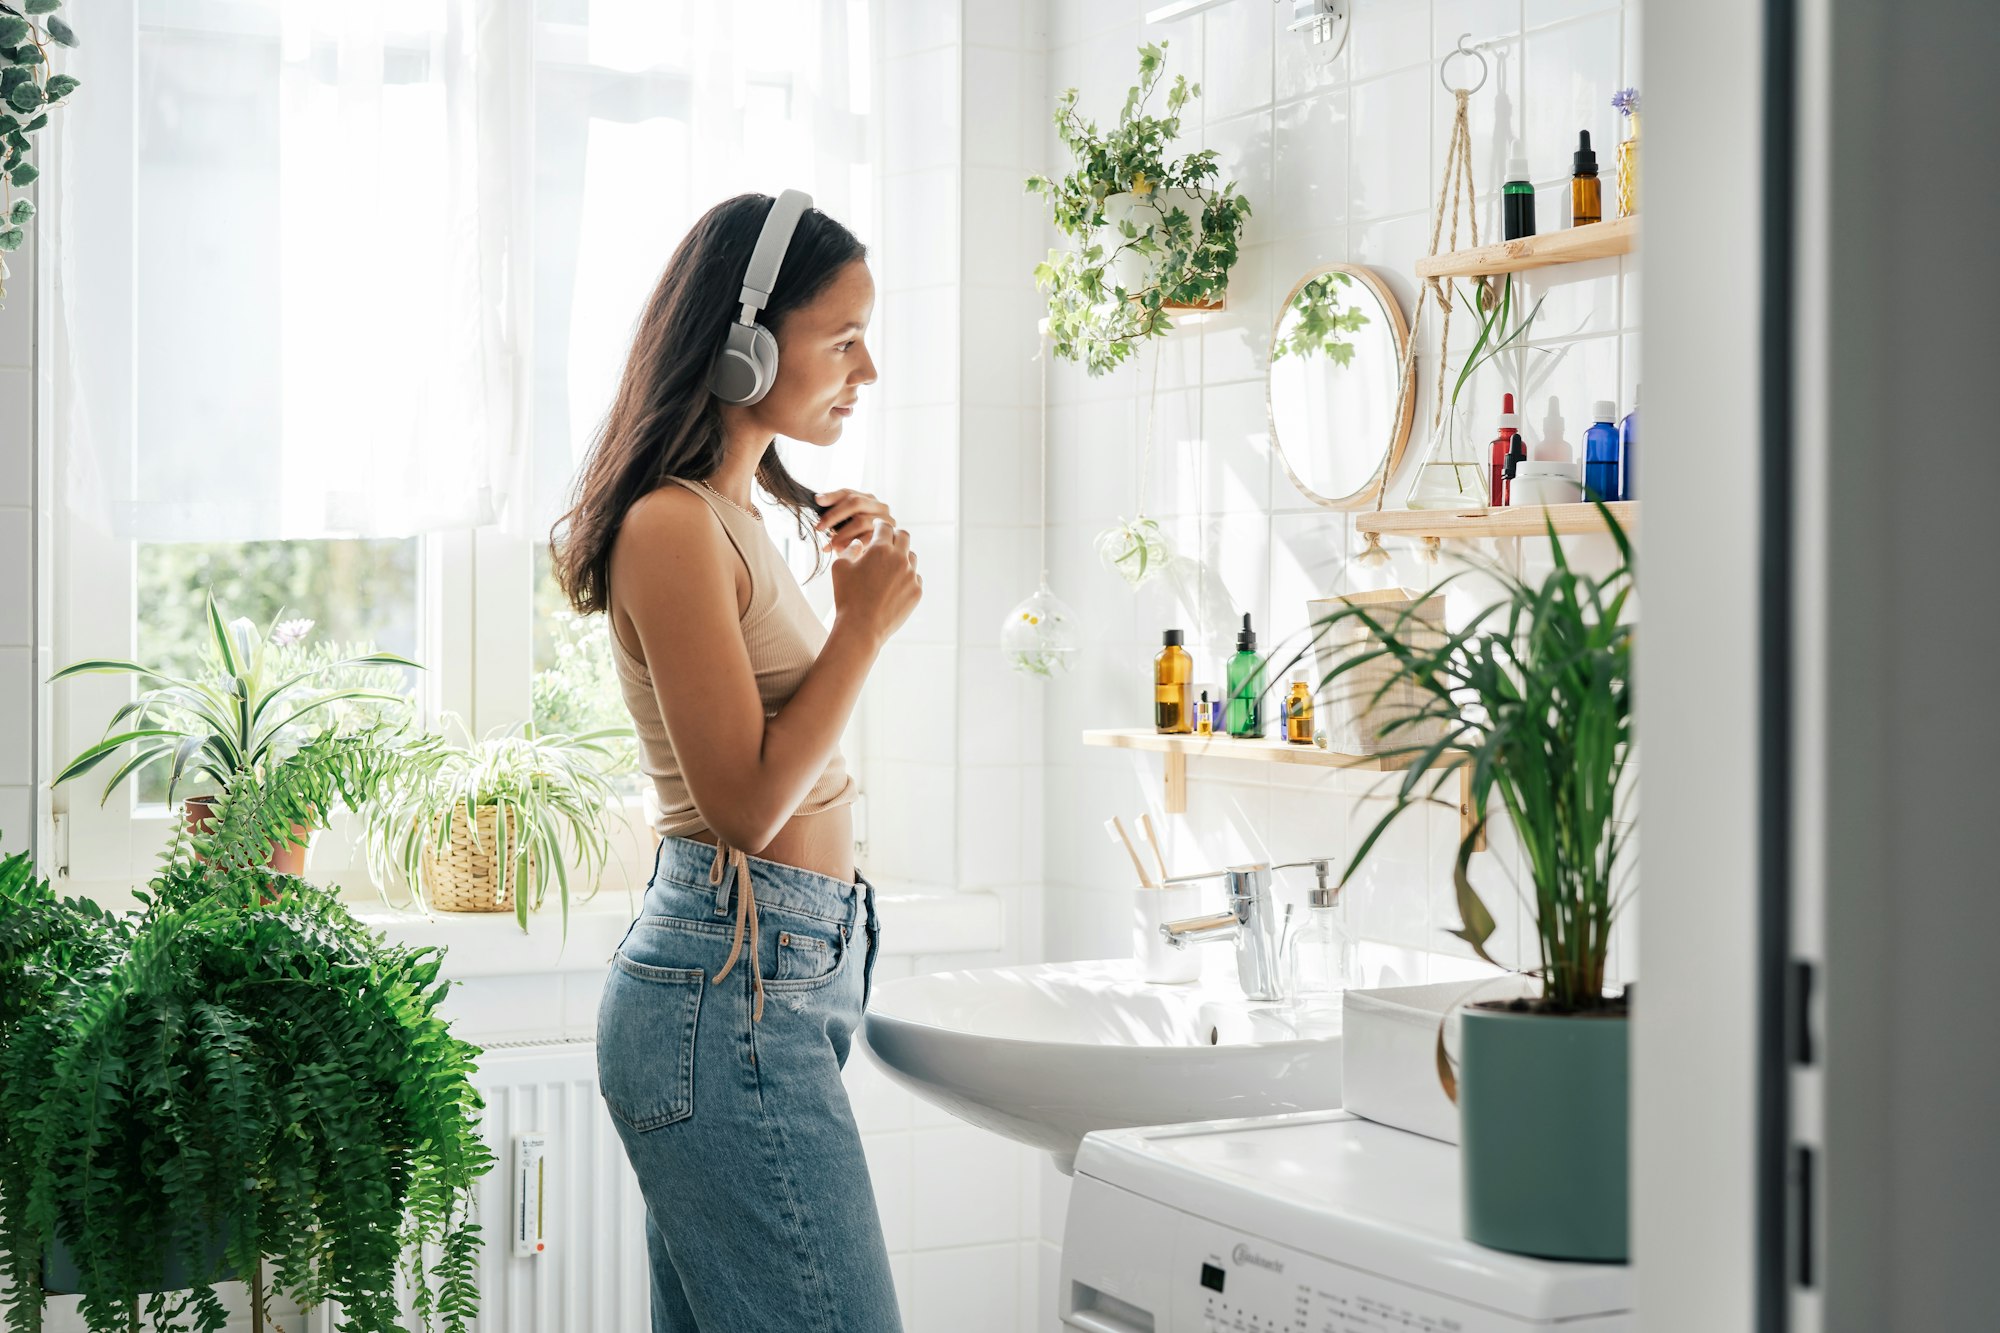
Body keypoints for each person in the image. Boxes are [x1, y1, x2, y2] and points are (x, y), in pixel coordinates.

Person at [551, 190, 917, 1333]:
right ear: (748, 340)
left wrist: (857, 608)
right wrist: (860, 629)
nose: (865, 369)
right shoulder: (670, 524)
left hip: (772, 976)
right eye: (843, 338)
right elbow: (745, 807)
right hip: (731, 986)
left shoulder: (736, 512)